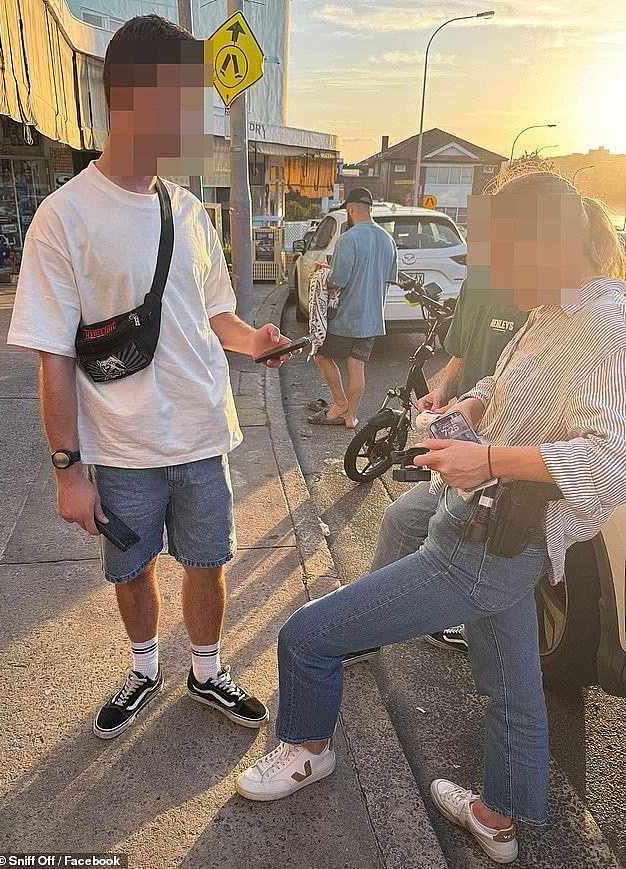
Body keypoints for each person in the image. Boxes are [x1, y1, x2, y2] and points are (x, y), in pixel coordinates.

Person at [235, 171, 626, 865]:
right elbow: (502, 382)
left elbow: (610, 462)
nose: (498, 272)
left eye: (507, 252)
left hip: (484, 546)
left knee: (306, 635)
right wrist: (468, 408)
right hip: (497, 536)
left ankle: (307, 750)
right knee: (513, 690)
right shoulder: (551, 310)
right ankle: (497, 822)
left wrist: (493, 460)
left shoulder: (604, 323)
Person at [7, 15, 291, 740]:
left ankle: (205, 669)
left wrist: (251, 339)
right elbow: (54, 358)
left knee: (207, 561)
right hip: (123, 449)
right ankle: (143, 668)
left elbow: (217, 314)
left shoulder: (190, 211)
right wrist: (68, 472)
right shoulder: (61, 218)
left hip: (202, 438)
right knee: (131, 572)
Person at [345, 279, 528, 662]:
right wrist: (445, 390)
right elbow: (462, 353)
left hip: (499, 456)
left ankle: (379, 625)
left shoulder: (539, 292)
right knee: (405, 520)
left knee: (468, 556)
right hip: (463, 437)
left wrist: (490, 459)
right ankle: (371, 627)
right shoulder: (479, 275)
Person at [307, 187, 397, 429]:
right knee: (357, 366)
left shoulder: (348, 239)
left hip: (346, 317)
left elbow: (338, 281)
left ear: (350, 209)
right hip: (372, 319)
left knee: (321, 354)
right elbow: (388, 280)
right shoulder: (388, 240)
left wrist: (322, 273)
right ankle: (351, 417)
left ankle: (339, 403)